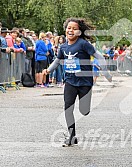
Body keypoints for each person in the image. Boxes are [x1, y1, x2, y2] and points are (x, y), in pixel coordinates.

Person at [43, 18, 112, 147]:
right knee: (68, 108)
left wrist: (106, 72)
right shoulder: (63, 47)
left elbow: (99, 57)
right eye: (69, 28)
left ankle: (78, 122)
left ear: (79, 32)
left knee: (84, 111)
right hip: (70, 81)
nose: (71, 30)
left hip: (85, 82)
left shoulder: (83, 44)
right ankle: (71, 136)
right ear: (65, 30)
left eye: (74, 28)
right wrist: (48, 70)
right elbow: (57, 61)